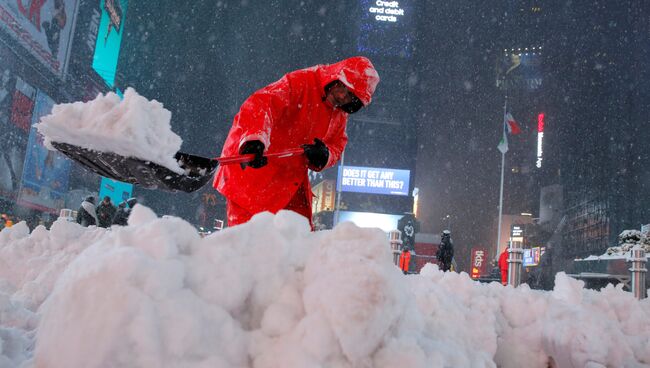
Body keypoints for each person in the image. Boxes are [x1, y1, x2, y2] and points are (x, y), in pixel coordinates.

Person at [213, 57, 380, 227]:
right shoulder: (301, 82)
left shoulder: (339, 113)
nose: (344, 97)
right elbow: (262, 104)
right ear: (337, 78)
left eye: (351, 97)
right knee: (250, 244)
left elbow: (338, 144)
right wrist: (255, 139)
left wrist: (325, 155)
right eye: (345, 90)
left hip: (289, 182)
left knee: (299, 242)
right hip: (252, 175)